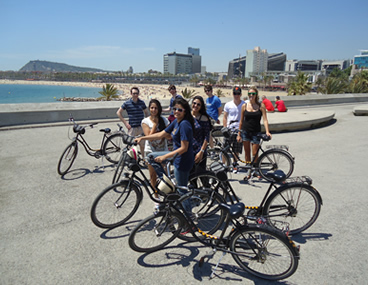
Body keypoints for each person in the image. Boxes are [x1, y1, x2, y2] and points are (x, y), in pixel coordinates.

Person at [136, 98, 194, 212]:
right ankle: (165, 182)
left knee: (183, 190)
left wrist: (164, 157)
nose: (176, 111)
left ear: (185, 111)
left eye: (180, 110)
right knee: (151, 156)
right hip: (178, 157)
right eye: (175, 109)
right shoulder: (176, 122)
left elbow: (184, 148)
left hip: (183, 160)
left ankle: (189, 217)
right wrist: (142, 137)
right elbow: (161, 134)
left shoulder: (184, 125)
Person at [238, 87, 272, 180]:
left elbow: (265, 119)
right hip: (245, 131)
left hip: (256, 132)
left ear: (256, 95)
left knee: (255, 153)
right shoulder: (244, 106)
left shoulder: (261, 106)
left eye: (253, 94)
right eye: (249, 94)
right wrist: (239, 133)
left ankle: (256, 170)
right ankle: (249, 170)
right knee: (247, 153)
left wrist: (267, 131)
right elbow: (241, 121)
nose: (251, 96)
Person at [141, 99, 170, 209]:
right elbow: (150, 138)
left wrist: (161, 134)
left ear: (159, 109)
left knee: (165, 176)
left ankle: (167, 196)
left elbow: (169, 136)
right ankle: (156, 196)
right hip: (151, 152)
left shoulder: (165, 120)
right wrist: (154, 125)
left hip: (163, 151)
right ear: (149, 108)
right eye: (152, 108)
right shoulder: (145, 121)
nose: (153, 110)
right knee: (153, 176)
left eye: (156, 108)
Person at [117, 86, 149, 157]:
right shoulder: (127, 103)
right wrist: (125, 123)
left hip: (141, 127)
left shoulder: (141, 103)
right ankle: (131, 160)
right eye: (134, 93)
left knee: (142, 145)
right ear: (131, 93)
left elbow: (146, 112)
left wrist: (147, 123)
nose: (135, 95)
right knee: (130, 146)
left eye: (137, 93)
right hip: (132, 128)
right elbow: (118, 113)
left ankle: (144, 159)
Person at [223, 87, 245, 172]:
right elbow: (225, 117)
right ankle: (224, 165)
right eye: (235, 93)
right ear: (233, 94)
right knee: (224, 148)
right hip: (229, 129)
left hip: (239, 130)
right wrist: (225, 128)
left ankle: (235, 164)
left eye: (238, 94)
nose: (236, 95)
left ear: (241, 94)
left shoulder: (244, 104)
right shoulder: (228, 104)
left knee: (237, 149)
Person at [191, 96, 212, 172]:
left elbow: (207, 136)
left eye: (198, 104)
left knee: (201, 174)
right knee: (191, 176)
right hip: (188, 150)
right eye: (194, 103)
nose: (195, 105)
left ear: (201, 106)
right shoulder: (187, 116)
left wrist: (201, 151)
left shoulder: (204, 118)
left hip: (199, 151)